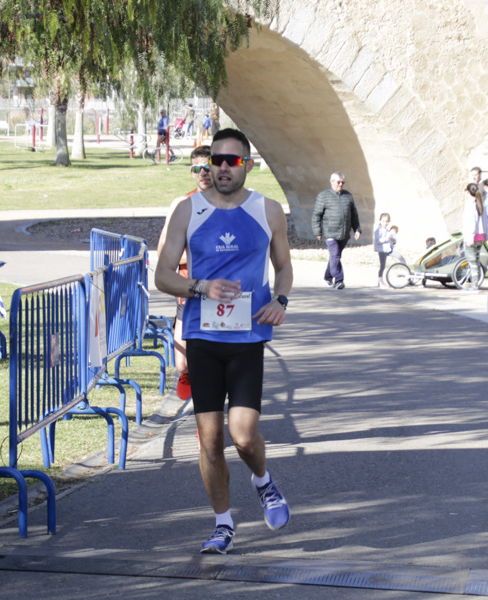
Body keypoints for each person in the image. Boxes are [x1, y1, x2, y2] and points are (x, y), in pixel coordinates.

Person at [155, 128, 293, 555]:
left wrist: (281, 300)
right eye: (216, 161)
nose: (222, 168)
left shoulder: (268, 210)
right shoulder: (186, 210)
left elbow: (284, 267)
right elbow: (161, 276)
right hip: (201, 337)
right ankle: (222, 523)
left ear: (248, 165)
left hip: (248, 336)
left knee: (245, 435)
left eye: (232, 161)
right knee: (210, 438)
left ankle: (264, 482)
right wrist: (200, 287)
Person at [158, 145, 214, 401]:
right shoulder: (182, 205)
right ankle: (187, 375)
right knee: (182, 363)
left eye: (207, 167)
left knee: (213, 362)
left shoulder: (229, 204)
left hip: (218, 294)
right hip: (188, 291)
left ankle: (206, 418)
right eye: (196, 168)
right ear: (191, 173)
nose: (203, 173)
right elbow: (163, 252)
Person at [311, 172, 361, 289]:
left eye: (343, 182)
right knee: (335, 255)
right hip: (330, 232)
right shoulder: (323, 196)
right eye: (338, 182)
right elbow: (316, 215)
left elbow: (354, 215)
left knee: (335, 256)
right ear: (332, 182)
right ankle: (339, 280)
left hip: (344, 233)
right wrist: (317, 231)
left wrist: (357, 229)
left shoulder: (348, 196)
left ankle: (327, 278)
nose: (341, 184)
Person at [462, 183, 488, 291]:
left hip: (472, 237)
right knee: (476, 261)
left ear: (468, 192)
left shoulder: (471, 205)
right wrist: (485, 235)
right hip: (480, 237)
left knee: (472, 262)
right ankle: (474, 283)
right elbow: (485, 221)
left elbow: (472, 222)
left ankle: (474, 284)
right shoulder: (481, 203)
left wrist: (470, 237)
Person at [373, 212, 393, 287]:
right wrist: (386, 238)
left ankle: (407, 273)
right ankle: (380, 282)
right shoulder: (378, 230)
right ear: (380, 221)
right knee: (382, 266)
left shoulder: (388, 230)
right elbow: (378, 240)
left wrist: (392, 241)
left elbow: (390, 241)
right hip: (382, 250)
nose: (385, 223)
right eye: (384, 221)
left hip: (388, 249)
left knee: (400, 257)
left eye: (387, 221)